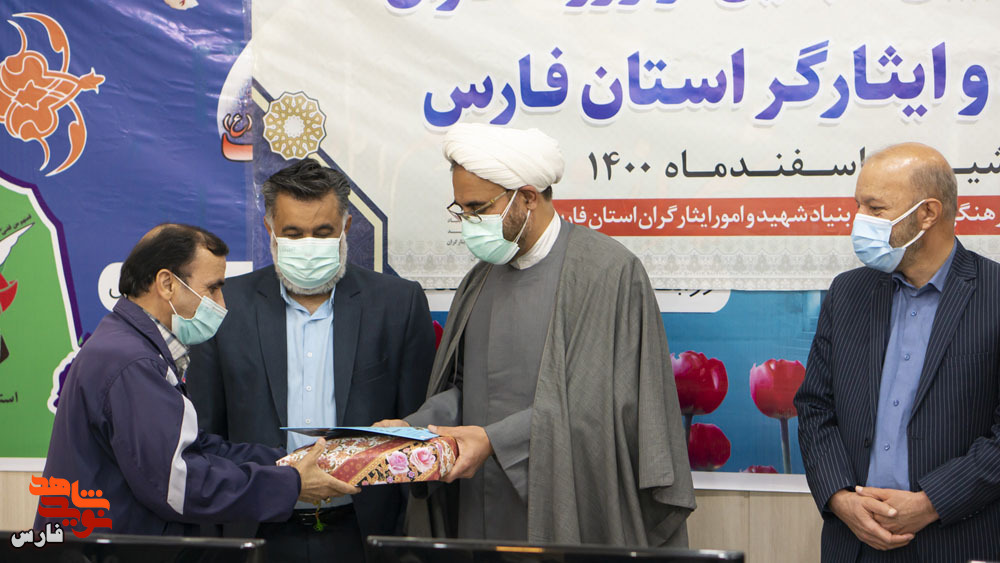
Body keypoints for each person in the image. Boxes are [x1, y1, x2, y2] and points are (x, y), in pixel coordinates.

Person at [376, 123, 694, 546]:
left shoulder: (608, 273)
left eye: (478, 209)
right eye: (461, 211)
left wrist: (494, 441)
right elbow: (464, 389)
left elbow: (602, 411)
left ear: (527, 197)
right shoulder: (480, 280)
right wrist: (413, 429)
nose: (468, 223)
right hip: (479, 503)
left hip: (571, 503)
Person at [36, 224, 356, 537]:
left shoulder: (132, 347)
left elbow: (192, 447)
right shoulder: (132, 362)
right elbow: (177, 485)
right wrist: (291, 484)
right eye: (212, 288)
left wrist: (285, 461)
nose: (221, 304)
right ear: (167, 284)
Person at [186, 160, 435, 561]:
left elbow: (417, 427)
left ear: (346, 227)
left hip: (364, 534)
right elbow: (205, 434)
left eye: (322, 232)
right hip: (255, 530)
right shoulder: (225, 306)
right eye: (293, 233)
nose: (308, 244)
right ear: (270, 229)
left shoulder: (397, 304)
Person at [795, 143, 1000, 562]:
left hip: (956, 540)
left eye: (875, 208)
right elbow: (815, 407)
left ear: (928, 214)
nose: (859, 221)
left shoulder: (993, 294)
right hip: (855, 544)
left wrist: (931, 502)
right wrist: (840, 498)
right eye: (858, 206)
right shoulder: (847, 293)